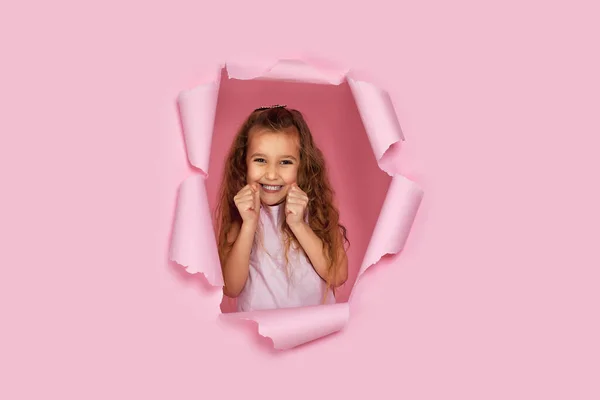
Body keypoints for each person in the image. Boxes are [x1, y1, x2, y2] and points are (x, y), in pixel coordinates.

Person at [214, 105, 350, 312]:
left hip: (315, 331)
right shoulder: (240, 219)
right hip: (261, 334)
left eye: (285, 162)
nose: (271, 174)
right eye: (260, 160)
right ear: (244, 164)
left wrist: (298, 225)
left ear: (301, 165)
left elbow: (338, 275)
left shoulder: (315, 211)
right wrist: (249, 224)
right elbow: (231, 288)